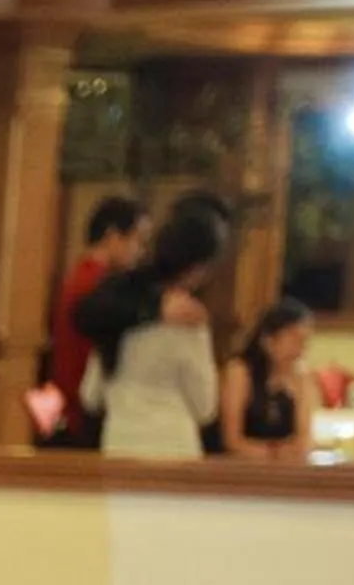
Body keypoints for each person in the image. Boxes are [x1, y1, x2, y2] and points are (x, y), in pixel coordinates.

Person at [86, 208, 226, 462]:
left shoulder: (116, 307)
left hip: (118, 442)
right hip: (174, 444)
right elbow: (205, 406)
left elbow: (90, 394)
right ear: (199, 268)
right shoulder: (188, 318)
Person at [48, 195, 150, 435]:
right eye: (138, 240)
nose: (141, 252)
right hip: (84, 411)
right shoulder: (97, 286)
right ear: (113, 236)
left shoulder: (80, 277)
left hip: (71, 407)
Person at [220, 299, 317, 462]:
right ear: (268, 340)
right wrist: (271, 454)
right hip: (239, 463)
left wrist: (292, 451)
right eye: (293, 338)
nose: (299, 349)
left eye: (304, 341)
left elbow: (305, 439)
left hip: (284, 466)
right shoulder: (239, 370)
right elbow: (233, 440)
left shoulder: (301, 378)